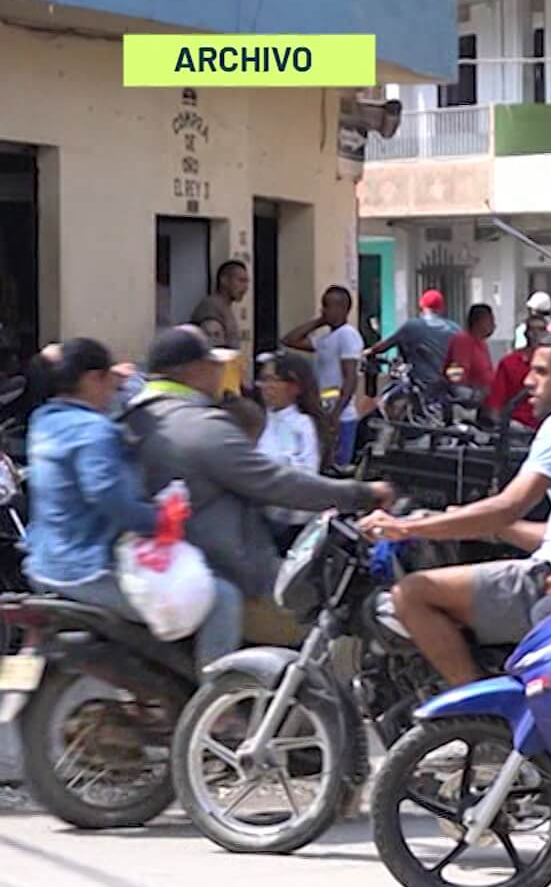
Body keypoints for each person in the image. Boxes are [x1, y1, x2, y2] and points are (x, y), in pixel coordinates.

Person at [359, 328, 551, 687]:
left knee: (412, 593)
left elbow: (509, 505)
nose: (528, 380)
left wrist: (407, 528)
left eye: (541, 372)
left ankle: (477, 712)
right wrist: (461, 521)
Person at [122, 327, 393, 666]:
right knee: (335, 628)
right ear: (193, 370)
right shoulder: (204, 428)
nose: (221, 371)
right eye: (213, 363)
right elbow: (279, 484)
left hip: (165, 563)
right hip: (236, 571)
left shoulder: (134, 415)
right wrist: (363, 493)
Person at [20, 340, 170, 652]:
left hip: (42, 564)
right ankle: (215, 697)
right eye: (107, 379)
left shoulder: (44, 420)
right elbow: (109, 496)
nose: (113, 389)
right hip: (86, 570)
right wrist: (160, 520)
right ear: (91, 379)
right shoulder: (95, 431)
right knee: (218, 599)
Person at [282, 285, 365, 468]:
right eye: (323, 305)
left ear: (344, 309)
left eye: (329, 306)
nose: (324, 310)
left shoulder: (347, 335)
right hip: (323, 412)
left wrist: (336, 413)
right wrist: (319, 321)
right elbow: (290, 340)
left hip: (340, 416)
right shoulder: (326, 338)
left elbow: (350, 378)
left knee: (337, 467)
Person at [254, 351, 326, 547]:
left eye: (272, 380)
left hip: (286, 519)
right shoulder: (258, 419)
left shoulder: (301, 425)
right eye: (262, 380)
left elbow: (307, 473)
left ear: (294, 387)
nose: (265, 387)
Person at [366, 288, 458, 406]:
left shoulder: (413, 326)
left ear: (421, 306)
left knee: (385, 402)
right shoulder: (455, 328)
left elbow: (383, 346)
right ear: (442, 308)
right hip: (449, 386)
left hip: (420, 384)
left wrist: (368, 352)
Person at [487, 309, 551, 431]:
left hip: (548, 425)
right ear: (526, 333)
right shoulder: (509, 363)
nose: (536, 334)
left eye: (541, 329)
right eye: (532, 329)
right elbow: (495, 402)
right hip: (517, 428)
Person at [190, 259, 248, 346]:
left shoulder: (224, 307)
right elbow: (215, 350)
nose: (245, 287)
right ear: (224, 280)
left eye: (246, 282)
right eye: (241, 281)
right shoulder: (211, 308)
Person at [447, 303, 497, 392]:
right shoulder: (463, 341)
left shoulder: (481, 343)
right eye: (491, 321)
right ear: (480, 321)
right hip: (469, 400)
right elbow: (458, 374)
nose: (494, 325)